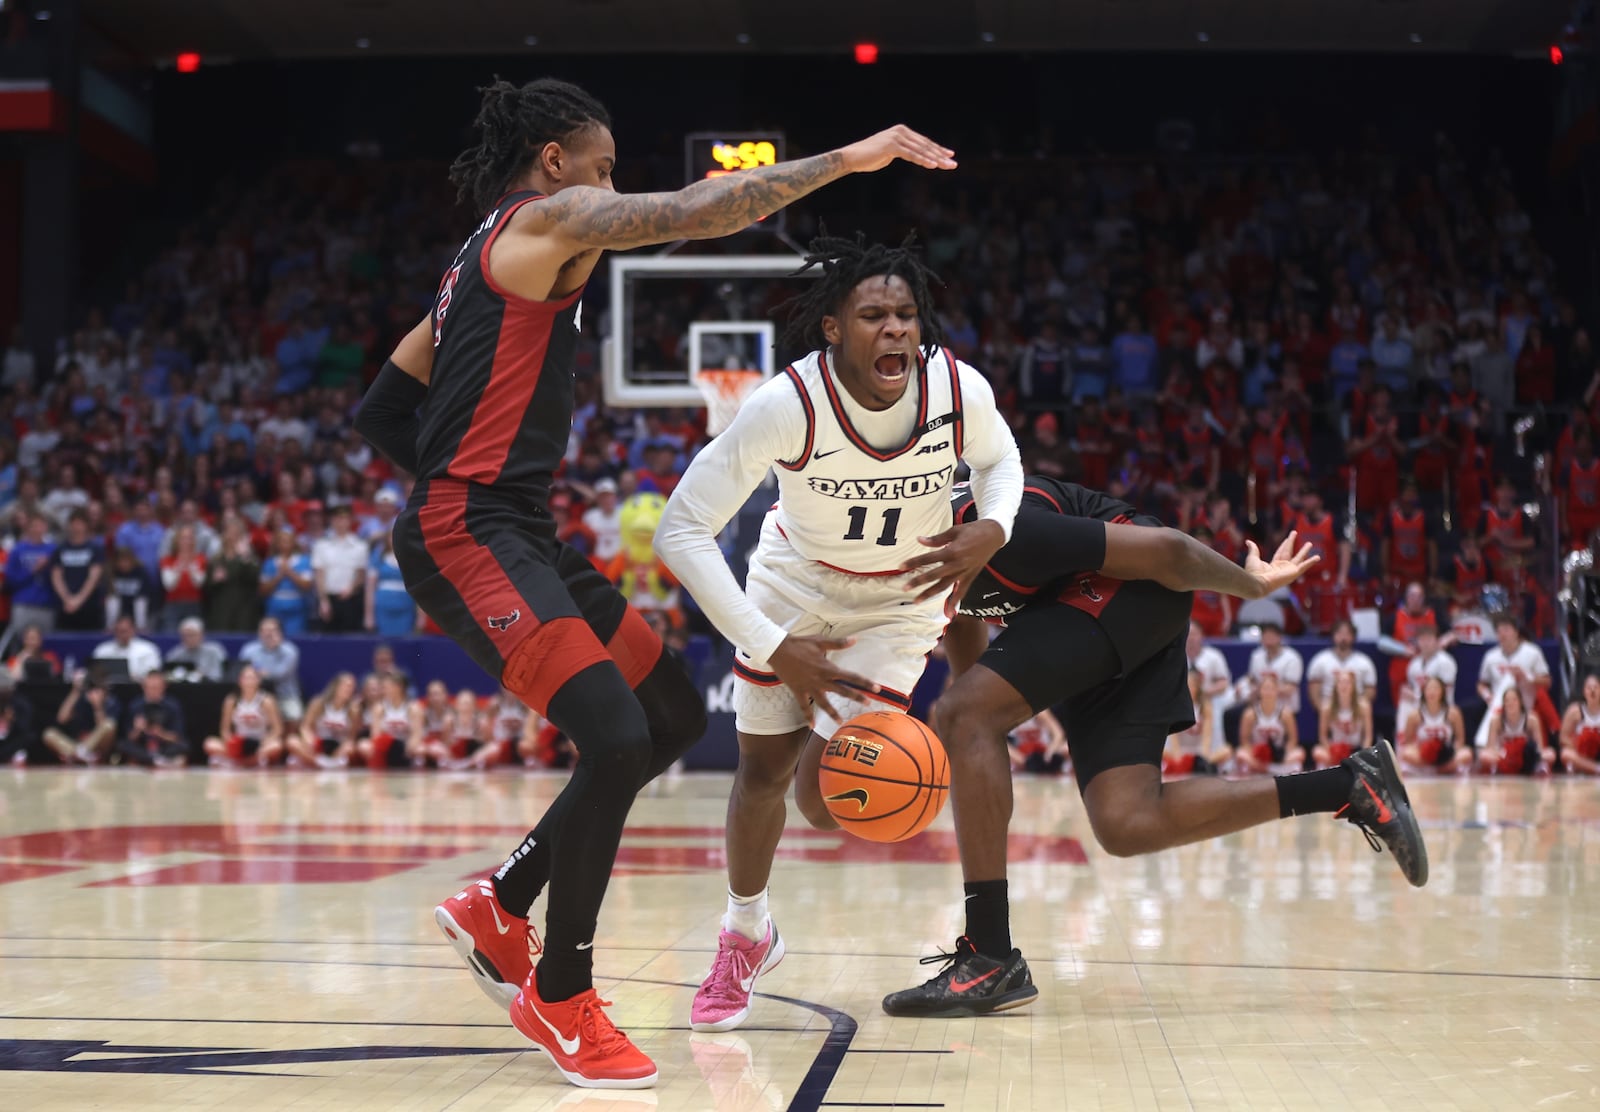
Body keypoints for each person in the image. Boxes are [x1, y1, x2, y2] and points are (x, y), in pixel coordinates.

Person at [353, 80, 951, 1089]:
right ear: (553, 163)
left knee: (666, 709)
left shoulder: (469, 269)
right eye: (601, 165)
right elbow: (691, 212)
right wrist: (847, 160)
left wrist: (465, 475)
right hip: (475, 530)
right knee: (616, 735)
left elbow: (380, 410)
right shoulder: (550, 218)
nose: (609, 184)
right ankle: (563, 993)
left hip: (514, 527)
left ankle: (501, 902)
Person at [853, 478, 1425, 1019]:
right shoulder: (915, 560)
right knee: (1126, 821)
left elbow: (1171, 552)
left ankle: (990, 954)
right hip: (1087, 613)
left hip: (1138, 588)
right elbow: (961, 613)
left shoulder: (1005, 521)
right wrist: (975, 710)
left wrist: (1250, 585)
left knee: (963, 710)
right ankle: (1350, 785)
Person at [653, 233, 1025, 1034]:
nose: (896, 329)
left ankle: (758, 921)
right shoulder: (785, 404)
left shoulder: (957, 390)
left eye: (906, 314)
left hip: (899, 602)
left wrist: (993, 525)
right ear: (832, 327)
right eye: (873, 315)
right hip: (792, 588)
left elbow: (1003, 462)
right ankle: (745, 934)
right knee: (760, 775)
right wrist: (772, 641)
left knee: (826, 800)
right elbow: (681, 530)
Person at [1475, 614, 1553, 748]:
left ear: (1516, 632)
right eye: (1498, 631)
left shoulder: (1532, 652)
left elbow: (1547, 681)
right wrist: (1487, 696)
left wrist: (1527, 676)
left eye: (1506, 630)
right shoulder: (1490, 656)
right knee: (1485, 752)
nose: (1502, 635)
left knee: (1537, 754)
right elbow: (1481, 684)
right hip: (1499, 711)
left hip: (1525, 711)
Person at [202, 664, 285, 768]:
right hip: (239, 742)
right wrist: (231, 742)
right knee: (209, 743)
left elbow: (278, 729)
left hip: (259, 742)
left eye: (252, 678)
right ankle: (249, 761)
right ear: (240, 681)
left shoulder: (266, 700)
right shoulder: (231, 700)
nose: (249, 681)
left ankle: (239, 762)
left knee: (276, 746)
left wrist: (265, 741)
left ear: (258, 680)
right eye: (246, 678)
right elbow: (225, 729)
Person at [114, 670, 188, 768]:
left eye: (156, 687)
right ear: (143, 687)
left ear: (164, 687)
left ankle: (153, 759)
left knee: (184, 745)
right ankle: (156, 759)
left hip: (164, 746)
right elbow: (129, 738)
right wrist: (138, 729)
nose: (153, 691)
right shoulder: (135, 705)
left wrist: (160, 733)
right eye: (150, 687)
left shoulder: (172, 705)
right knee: (122, 745)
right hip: (143, 746)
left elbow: (177, 737)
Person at [238, 616, 304, 726]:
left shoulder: (290, 651)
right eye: (265, 630)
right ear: (259, 633)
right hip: (255, 696)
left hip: (285, 696)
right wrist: (260, 674)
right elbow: (243, 672)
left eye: (273, 630)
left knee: (295, 716)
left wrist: (258, 673)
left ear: (280, 632)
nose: (268, 634)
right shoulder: (249, 650)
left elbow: (279, 675)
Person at [312, 504, 368, 632]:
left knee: (350, 639)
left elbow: (361, 574)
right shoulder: (321, 545)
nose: (340, 522)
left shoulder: (359, 545)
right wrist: (323, 600)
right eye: (337, 518)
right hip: (328, 598)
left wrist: (351, 588)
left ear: (350, 521)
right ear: (331, 521)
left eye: (344, 518)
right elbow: (319, 574)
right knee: (327, 639)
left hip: (351, 599)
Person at [41, 670, 115, 764]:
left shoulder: (111, 703)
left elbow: (104, 728)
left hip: (96, 749)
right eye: (92, 688)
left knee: (109, 725)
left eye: (98, 688)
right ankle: (80, 754)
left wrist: (98, 707)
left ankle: (80, 754)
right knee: (49, 734)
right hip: (75, 744)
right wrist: (76, 690)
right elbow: (62, 718)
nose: (94, 691)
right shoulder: (79, 699)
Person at [48, 509, 105, 631]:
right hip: (64, 605)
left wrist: (78, 600)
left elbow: (94, 577)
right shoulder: (60, 549)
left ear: (86, 525)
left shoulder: (95, 548)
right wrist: (67, 599)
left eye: (80, 523)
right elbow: (56, 576)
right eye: (73, 523)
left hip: (90, 604)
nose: (76, 527)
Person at [1161, 669, 1227, 775]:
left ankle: (1201, 765)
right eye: (1186, 686)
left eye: (1192, 685)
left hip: (1198, 750)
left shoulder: (1205, 707)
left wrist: (1203, 756)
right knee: (1159, 751)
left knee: (1226, 751)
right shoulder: (1176, 706)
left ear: (1197, 688)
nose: (1189, 689)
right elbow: (1173, 737)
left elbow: (1207, 736)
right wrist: (1178, 756)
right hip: (1180, 750)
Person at [1235, 673, 1304, 774]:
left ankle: (1271, 768)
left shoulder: (1285, 713)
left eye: (1271, 688)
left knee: (1299, 753)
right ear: (1259, 691)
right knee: (1240, 754)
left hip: (1278, 755)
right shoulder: (1250, 714)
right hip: (1256, 755)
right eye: (1265, 688)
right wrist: (1253, 754)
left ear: (1277, 691)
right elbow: (1244, 740)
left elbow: (1293, 739)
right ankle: (1266, 768)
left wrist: (1284, 754)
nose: (1268, 692)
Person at [290, 671, 361, 769]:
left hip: (338, 745)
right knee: (292, 741)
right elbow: (305, 727)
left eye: (352, 686)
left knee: (350, 748)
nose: (349, 689)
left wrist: (343, 748)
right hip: (319, 743)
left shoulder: (353, 710)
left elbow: (351, 738)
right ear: (336, 686)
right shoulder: (318, 703)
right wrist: (309, 739)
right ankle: (319, 762)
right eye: (346, 686)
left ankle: (331, 763)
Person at [1399, 675, 1470, 772]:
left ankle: (1439, 768)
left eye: (1436, 688)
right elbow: (1409, 742)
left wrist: (1450, 752)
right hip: (1423, 756)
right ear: (1423, 692)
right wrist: (1424, 751)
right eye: (1429, 688)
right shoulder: (1415, 715)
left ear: (1442, 692)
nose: (1432, 692)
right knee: (1406, 753)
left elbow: (1460, 740)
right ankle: (1437, 769)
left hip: (1447, 755)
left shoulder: (1453, 713)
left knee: (1466, 754)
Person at [1476, 686, 1552, 775]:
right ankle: (1497, 769)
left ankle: (1537, 767)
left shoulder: (1531, 719)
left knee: (1550, 754)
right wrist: (1503, 754)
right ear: (1503, 704)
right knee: (1483, 755)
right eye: (1507, 701)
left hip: (1525, 758)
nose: (1510, 703)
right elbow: (1490, 748)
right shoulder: (1496, 721)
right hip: (1504, 758)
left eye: (1514, 700)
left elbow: (1539, 747)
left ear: (1521, 702)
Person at [1306, 620, 1379, 705]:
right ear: (1333, 636)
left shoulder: (1364, 662)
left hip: (1356, 709)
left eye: (1347, 634)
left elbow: (1370, 690)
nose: (1343, 638)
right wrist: (1323, 712)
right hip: (1327, 707)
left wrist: (1360, 710)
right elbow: (1314, 690)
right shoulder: (1320, 660)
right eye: (1339, 633)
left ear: (1353, 637)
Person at [1313, 670, 1372, 767]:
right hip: (1336, 749)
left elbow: (1368, 736)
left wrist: (1363, 753)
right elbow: (1323, 736)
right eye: (1340, 682)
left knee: (1371, 754)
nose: (1344, 686)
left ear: (1353, 686)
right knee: (1317, 752)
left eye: (1347, 682)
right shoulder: (1327, 708)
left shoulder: (1363, 707)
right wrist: (1332, 751)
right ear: (1336, 686)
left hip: (1355, 749)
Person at [1245, 621, 1303, 713]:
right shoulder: (1256, 656)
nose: (1268, 640)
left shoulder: (1292, 658)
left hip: (1286, 708)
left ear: (1280, 638)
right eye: (1265, 637)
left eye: (1272, 637)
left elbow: (1290, 687)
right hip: (1261, 708)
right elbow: (1252, 680)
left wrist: (1265, 690)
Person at [92, 615, 162, 680]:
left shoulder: (148, 649)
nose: (121, 635)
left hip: (138, 687)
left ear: (133, 630)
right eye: (118, 631)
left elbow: (153, 674)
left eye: (124, 631)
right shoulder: (102, 650)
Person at [164, 616, 228, 683]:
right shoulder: (176, 653)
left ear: (201, 634)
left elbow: (218, 676)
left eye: (192, 635)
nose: (188, 639)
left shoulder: (214, 650)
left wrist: (202, 675)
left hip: (209, 687)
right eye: (185, 635)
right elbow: (168, 674)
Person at [1558, 674, 1600, 775]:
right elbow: (1563, 738)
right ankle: (1596, 769)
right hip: (1580, 754)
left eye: (1596, 687)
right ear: (1584, 691)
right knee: (1565, 754)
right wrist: (1577, 746)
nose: (1592, 691)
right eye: (1589, 688)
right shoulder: (1574, 710)